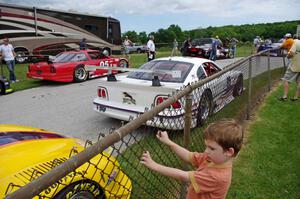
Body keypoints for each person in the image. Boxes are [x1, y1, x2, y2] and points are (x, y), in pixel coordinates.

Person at [141, 119, 244, 199]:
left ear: (229, 152)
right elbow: (188, 155)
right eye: (206, 146)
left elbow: (182, 175)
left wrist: (154, 165)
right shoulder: (212, 158)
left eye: (212, 148)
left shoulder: (218, 177)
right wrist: (169, 142)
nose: (206, 151)